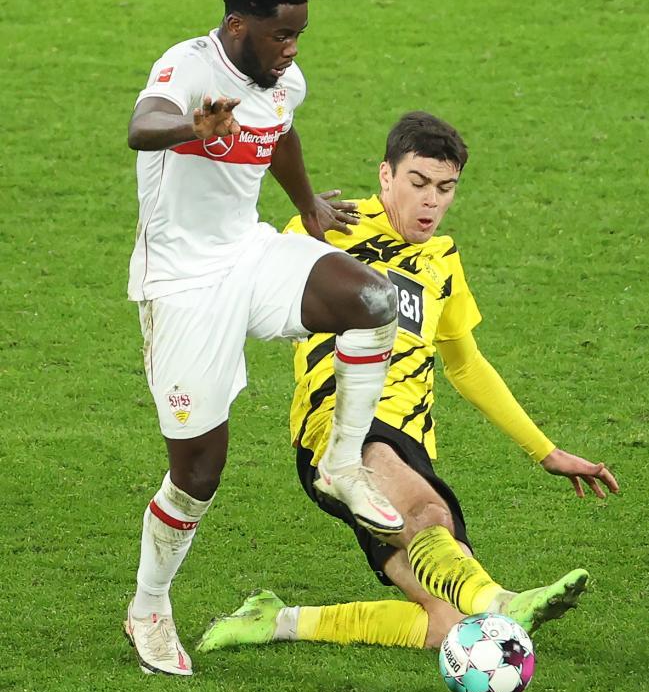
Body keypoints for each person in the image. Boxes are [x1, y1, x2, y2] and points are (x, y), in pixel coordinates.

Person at [197, 111, 619, 656]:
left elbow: (466, 366)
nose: (431, 202)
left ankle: (274, 619)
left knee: (446, 624)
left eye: (445, 189)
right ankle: (501, 598)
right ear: (385, 176)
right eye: (418, 183)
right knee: (429, 517)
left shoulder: (443, 262)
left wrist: (546, 451)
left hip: (411, 440)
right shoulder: (326, 229)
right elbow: (250, 287)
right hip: (340, 427)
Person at [123, 0, 409, 677]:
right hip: (182, 285)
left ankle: (343, 463)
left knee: (373, 300)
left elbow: (280, 129)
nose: (291, 49)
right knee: (198, 472)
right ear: (237, 25)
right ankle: (148, 605)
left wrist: (306, 203)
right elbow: (142, 123)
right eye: (281, 36)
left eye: (300, 35)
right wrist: (192, 126)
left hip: (247, 255)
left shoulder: (284, 78)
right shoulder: (187, 69)